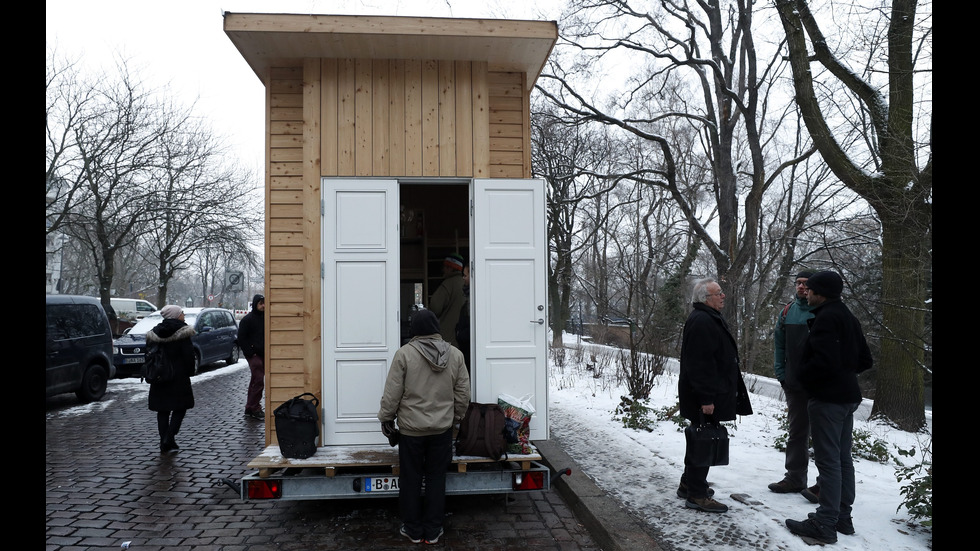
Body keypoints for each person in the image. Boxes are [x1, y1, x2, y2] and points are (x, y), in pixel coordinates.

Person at [785, 270, 873, 544]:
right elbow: (864, 360)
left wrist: (802, 377)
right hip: (847, 397)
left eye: (810, 289)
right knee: (843, 459)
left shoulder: (826, 319)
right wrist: (845, 375)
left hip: (828, 401)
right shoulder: (847, 316)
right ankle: (842, 519)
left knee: (829, 462)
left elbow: (824, 363)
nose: (806, 293)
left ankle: (825, 523)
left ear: (821, 293)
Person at [378, 309, 470, 545]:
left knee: (410, 479)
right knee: (436, 478)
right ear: (436, 329)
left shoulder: (404, 355)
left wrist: (386, 418)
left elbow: (392, 394)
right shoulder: (456, 356)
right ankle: (433, 529)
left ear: (414, 330)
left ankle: (413, 529)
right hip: (441, 430)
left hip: (411, 432)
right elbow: (462, 395)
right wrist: (455, 418)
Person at [677, 277, 752, 513]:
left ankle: (688, 484)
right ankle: (697, 495)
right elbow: (700, 364)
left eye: (721, 292)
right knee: (703, 442)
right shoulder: (702, 321)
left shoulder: (707, 317)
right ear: (705, 299)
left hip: (709, 392)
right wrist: (706, 399)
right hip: (705, 395)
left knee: (700, 440)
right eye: (718, 293)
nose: (723, 296)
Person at [768, 270, 821, 502]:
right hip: (794, 384)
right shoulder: (787, 311)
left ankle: (824, 485)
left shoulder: (824, 311)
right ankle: (795, 477)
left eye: (806, 284)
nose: (801, 287)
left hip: (820, 386)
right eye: (798, 283)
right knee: (797, 432)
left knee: (823, 435)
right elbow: (779, 345)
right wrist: (781, 373)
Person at [146, 305, 196, 453]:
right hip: (178, 377)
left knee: (163, 410)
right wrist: (190, 371)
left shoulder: (155, 331)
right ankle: (169, 436)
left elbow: (149, 354)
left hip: (160, 376)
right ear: (175, 315)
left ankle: (164, 441)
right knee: (180, 407)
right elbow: (188, 355)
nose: (183, 315)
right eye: (181, 313)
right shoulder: (183, 332)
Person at [238, 294, 266, 420]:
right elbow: (242, 338)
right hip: (254, 355)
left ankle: (250, 407)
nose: (263, 306)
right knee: (258, 380)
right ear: (255, 304)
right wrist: (251, 352)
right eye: (260, 303)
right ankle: (255, 407)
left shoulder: (266, 318)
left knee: (255, 380)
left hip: (263, 353)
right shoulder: (247, 320)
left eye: (264, 303)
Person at [429, 253, 466, 347]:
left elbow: (435, 308)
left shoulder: (447, 284)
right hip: (464, 337)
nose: (443, 269)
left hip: (448, 339)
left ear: (451, 268)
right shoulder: (466, 284)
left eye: (445, 267)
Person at [455, 265, 471, 372]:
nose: (463, 278)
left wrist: (460, 334)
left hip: (468, 347)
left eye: (465, 275)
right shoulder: (469, 296)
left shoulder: (474, 299)